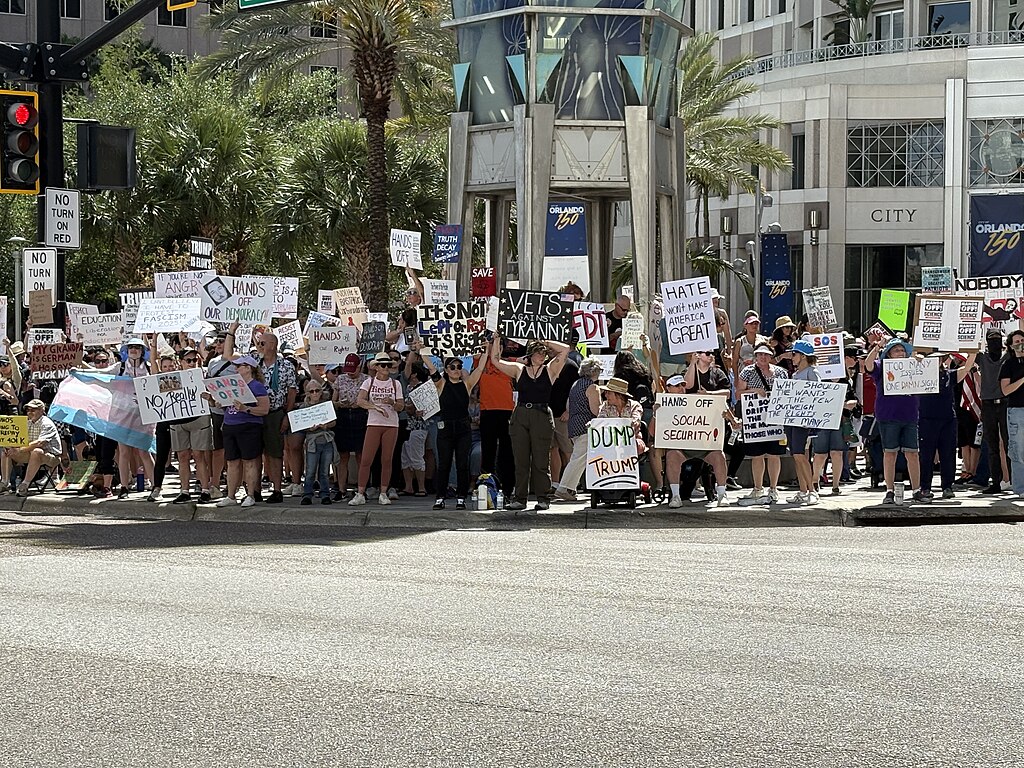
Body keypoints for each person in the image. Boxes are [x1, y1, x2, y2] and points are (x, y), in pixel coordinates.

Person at [489, 335, 570, 512]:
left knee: (541, 459)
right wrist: (496, 340)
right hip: (521, 414)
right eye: (539, 352)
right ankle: (520, 498)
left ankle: (543, 497)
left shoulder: (550, 370)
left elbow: (564, 349)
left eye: (544, 353)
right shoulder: (519, 370)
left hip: (541, 414)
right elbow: (495, 360)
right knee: (521, 459)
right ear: (531, 355)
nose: (542, 356)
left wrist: (544, 341)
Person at [224, 321, 297, 504]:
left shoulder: (286, 365)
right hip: (249, 414)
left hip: (273, 413)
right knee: (254, 453)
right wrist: (232, 332)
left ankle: (277, 489)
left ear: (273, 345)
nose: (259, 345)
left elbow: (292, 391)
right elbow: (228, 356)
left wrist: (287, 415)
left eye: (263, 343)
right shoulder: (253, 361)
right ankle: (254, 491)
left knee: (274, 452)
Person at [421, 342, 486, 510]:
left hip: (463, 428)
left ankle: (461, 497)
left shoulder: (467, 384)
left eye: (459, 366)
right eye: (453, 367)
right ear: (447, 369)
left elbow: (479, 370)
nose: (457, 369)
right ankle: (440, 497)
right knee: (444, 463)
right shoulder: (441, 384)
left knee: (462, 463)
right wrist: (421, 348)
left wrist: (486, 349)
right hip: (446, 428)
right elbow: (429, 366)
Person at [864, 338, 924, 505]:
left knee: (912, 453)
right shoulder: (881, 367)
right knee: (890, 453)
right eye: (896, 350)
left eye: (902, 350)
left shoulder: (913, 364)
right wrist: (876, 347)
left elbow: (927, 375)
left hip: (910, 415)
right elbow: (868, 366)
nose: (901, 353)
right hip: (888, 416)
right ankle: (889, 491)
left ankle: (916, 490)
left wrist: (921, 362)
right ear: (888, 354)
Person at [209, 354, 270, 508]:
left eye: (239, 366)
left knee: (249, 462)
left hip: (249, 427)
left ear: (249, 368)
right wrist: (212, 401)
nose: (235, 369)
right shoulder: (232, 385)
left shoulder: (257, 386)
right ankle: (231, 496)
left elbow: (264, 409)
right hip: (230, 425)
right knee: (231, 463)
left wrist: (246, 409)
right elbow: (225, 405)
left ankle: (250, 495)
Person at [674, 350, 732, 507]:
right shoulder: (688, 371)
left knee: (719, 456)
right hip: (690, 428)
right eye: (706, 353)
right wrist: (692, 363)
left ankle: (721, 494)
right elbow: (688, 386)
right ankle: (676, 496)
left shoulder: (717, 373)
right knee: (673, 455)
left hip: (710, 428)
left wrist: (709, 394)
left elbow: (727, 393)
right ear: (698, 355)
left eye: (712, 352)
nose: (711, 355)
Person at [349, 351, 405, 506]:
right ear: (376, 367)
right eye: (383, 365)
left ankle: (383, 492)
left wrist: (392, 403)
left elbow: (401, 406)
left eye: (388, 365)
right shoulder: (369, 382)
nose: (386, 367)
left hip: (391, 424)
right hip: (374, 422)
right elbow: (360, 400)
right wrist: (375, 407)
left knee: (387, 459)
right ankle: (360, 493)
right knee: (366, 458)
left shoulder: (396, 384)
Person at [736, 343, 788, 505]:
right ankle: (758, 488)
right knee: (757, 456)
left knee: (774, 455)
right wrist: (755, 391)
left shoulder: (781, 372)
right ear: (755, 356)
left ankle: (773, 488)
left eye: (766, 354)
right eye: (759, 354)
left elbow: (787, 392)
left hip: (775, 420)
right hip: (755, 420)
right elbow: (738, 394)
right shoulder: (747, 372)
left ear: (771, 356)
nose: (762, 357)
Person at [919, 353, 975, 501]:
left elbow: (967, 367)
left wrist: (974, 351)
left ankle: (947, 486)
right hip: (926, 419)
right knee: (926, 455)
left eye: (939, 358)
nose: (936, 361)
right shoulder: (919, 374)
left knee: (948, 454)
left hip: (947, 419)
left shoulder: (949, 375)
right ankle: (925, 487)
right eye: (932, 359)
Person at [552, 356, 603, 501]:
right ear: (595, 371)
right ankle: (563, 488)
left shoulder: (576, 384)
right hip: (586, 426)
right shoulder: (592, 387)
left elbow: (568, 405)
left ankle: (570, 488)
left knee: (580, 457)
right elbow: (596, 411)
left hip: (574, 425)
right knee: (578, 458)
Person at [170, 347, 213, 504]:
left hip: (199, 418)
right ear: (180, 362)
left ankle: (205, 490)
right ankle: (184, 491)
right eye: (188, 360)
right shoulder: (172, 378)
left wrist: (210, 397)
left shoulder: (204, 375)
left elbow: (214, 398)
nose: (191, 363)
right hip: (178, 420)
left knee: (199, 455)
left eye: (194, 360)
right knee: (182, 456)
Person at [477, 339, 516, 491]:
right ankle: (486, 487)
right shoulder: (480, 362)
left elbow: (526, 361)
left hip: (507, 412)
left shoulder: (510, 362)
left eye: (499, 345)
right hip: (487, 411)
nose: (496, 348)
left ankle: (508, 488)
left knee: (507, 451)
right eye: (493, 345)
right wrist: (486, 349)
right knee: (488, 451)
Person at [785, 339, 820, 505]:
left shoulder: (812, 372)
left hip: (803, 421)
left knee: (800, 454)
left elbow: (817, 394)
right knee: (796, 455)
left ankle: (812, 491)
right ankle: (803, 490)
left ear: (803, 356)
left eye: (794, 353)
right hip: (791, 419)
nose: (792, 357)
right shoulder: (795, 374)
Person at [332, 353, 368, 500]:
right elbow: (333, 401)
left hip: (360, 416)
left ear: (359, 367)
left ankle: (361, 489)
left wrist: (360, 403)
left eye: (353, 369)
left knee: (361, 455)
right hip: (344, 416)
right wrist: (339, 404)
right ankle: (341, 489)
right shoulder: (340, 379)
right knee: (343, 455)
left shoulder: (367, 379)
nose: (350, 373)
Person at [8, 398, 62, 497]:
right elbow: (20, 440)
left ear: (42, 410)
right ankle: (5, 482)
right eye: (28, 410)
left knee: (37, 451)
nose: (29, 412)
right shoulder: (27, 423)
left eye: (33, 410)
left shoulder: (46, 423)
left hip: (52, 458)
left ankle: (25, 484)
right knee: (6, 451)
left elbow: (40, 443)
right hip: (31, 454)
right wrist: (13, 447)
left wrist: (21, 449)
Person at [978, 328, 1010, 493]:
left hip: (1005, 403)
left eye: (997, 339)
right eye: (991, 339)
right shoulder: (982, 357)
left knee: (1009, 443)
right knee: (992, 446)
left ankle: (1012, 479)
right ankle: (996, 482)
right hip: (988, 404)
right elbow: (966, 350)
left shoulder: (1008, 356)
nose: (994, 342)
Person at [295, 378, 337, 505]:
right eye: (311, 391)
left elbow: (334, 422)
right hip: (312, 442)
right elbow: (300, 425)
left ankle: (325, 494)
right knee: (310, 471)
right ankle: (307, 494)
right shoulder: (304, 407)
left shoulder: (326, 405)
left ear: (321, 391)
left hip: (326, 440)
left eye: (317, 390)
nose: (314, 393)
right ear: (307, 393)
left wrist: (326, 426)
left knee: (324, 471)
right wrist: (309, 427)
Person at [999, 329, 1024, 498]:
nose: (1020, 343)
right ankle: (1021, 488)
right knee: (1018, 450)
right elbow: (1005, 390)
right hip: (1017, 410)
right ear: (1010, 345)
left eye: (1023, 340)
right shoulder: (1008, 365)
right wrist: (1022, 380)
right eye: (1017, 341)